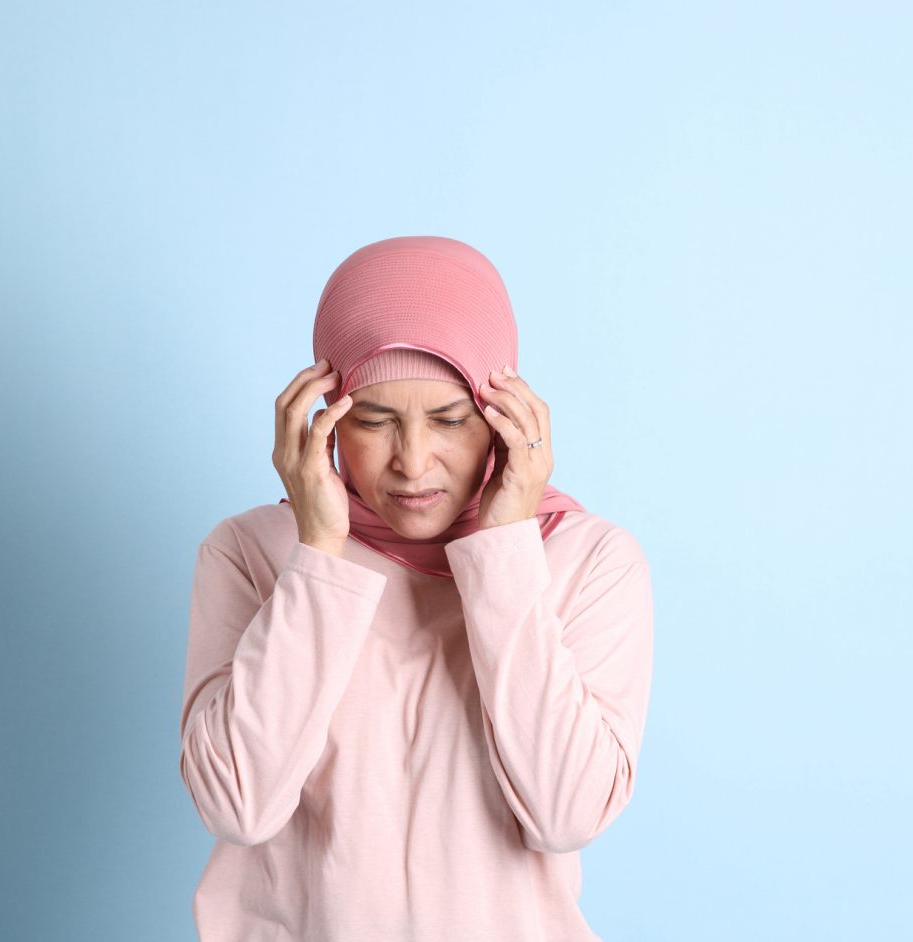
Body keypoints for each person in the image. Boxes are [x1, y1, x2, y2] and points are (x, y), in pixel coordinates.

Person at [177, 235, 655, 941]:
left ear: (506, 415)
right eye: (372, 421)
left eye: (451, 421)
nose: (412, 461)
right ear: (323, 416)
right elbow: (237, 804)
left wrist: (502, 552)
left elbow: (565, 814)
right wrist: (318, 555)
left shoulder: (587, 561)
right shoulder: (252, 553)